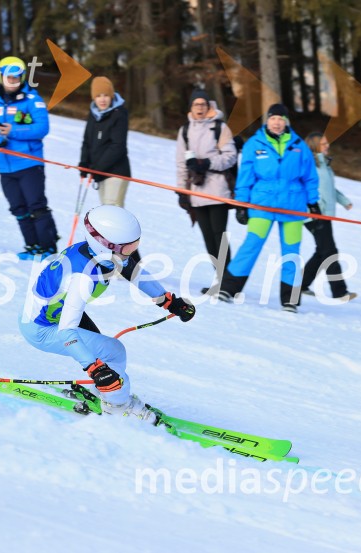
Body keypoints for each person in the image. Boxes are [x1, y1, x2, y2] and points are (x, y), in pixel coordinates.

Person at [20, 205, 196, 422]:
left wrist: (168, 300)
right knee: (114, 352)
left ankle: (104, 394)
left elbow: (132, 270)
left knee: (104, 353)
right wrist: (94, 369)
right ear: (105, 245)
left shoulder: (101, 254)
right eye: (128, 248)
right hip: (41, 328)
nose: (131, 252)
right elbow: (66, 332)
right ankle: (119, 407)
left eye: (135, 245)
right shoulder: (83, 278)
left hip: (51, 314)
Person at [217, 104, 319, 312]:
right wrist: (242, 204)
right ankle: (228, 288)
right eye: (273, 118)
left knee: (291, 251)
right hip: (262, 204)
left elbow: (310, 176)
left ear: (286, 121)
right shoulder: (254, 144)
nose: (277, 122)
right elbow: (245, 177)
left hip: (292, 207)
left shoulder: (299, 145)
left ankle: (290, 299)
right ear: (267, 120)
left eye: (281, 119)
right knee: (252, 244)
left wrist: (313, 202)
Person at [0, 56, 58, 259]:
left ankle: (48, 247)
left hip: (29, 163)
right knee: (18, 208)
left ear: (22, 77)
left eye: (16, 77)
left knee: (36, 206)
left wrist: (13, 131)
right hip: (5, 166)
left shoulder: (32, 100)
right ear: (1, 77)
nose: (12, 81)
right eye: (9, 77)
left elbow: (42, 128)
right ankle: (32, 246)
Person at [175, 89, 237, 291]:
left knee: (220, 236)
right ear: (191, 107)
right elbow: (181, 163)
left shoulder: (220, 127)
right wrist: (182, 191)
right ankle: (221, 280)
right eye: (196, 104)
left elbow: (230, 156)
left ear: (209, 106)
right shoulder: (185, 130)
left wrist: (207, 163)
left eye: (203, 104)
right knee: (208, 238)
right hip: (196, 192)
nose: (200, 108)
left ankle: (228, 283)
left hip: (218, 190)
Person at [300, 132, 356, 302]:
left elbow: (330, 189)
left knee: (322, 251)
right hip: (313, 215)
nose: (327, 146)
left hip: (325, 214)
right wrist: (311, 209)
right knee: (329, 251)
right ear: (314, 146)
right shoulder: (308, 164)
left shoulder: (325, 164)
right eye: (323, 143)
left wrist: (344, 201)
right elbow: (303, 188)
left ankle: (300, 284)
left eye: (327, 143)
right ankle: (340, 292)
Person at [79, 77, 131, 208]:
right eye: (98, 96)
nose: (102, 99)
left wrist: (97, 168)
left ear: (111, 96)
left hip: (116, 172)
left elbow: (117, 146)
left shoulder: (119, 114)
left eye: (106, 95)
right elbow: (87, 141)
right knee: (105, 209)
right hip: (100, 172)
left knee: (111, 209)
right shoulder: (93, 115)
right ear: (94, 98)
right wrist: (84, 163)